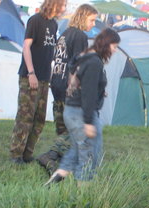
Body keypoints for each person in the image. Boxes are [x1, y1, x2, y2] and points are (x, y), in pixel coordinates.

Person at [45, 28, 120, 185]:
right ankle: (83, 193)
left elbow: (77, 76)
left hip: (71, 110)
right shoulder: (94, 62)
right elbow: (88, 92)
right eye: (114, 46)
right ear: (106, 45)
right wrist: (88, 122)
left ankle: (57, 177)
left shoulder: (84, 56)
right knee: (89, 155)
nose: (115, 50)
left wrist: (98, 91)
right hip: (82, 113)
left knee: (77, 150)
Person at [37, 3, 98, 175]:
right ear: (82, 16)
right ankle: (50, 156)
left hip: (56, 83)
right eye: (92, 20)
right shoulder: (79, 36)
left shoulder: (65, 34)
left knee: (63, 127)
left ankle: (61, 164)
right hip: (67, 87)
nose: (93, 24)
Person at [9, 0, 66, 165]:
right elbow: (26, 47)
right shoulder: (35, 20)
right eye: (62, 5)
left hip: (44, 77)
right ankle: (16, 154)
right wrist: (31, 72)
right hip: (30, 76)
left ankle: (28, 153)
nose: (64, 8)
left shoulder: (53, 24)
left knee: (39, 118)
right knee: (25, 116)